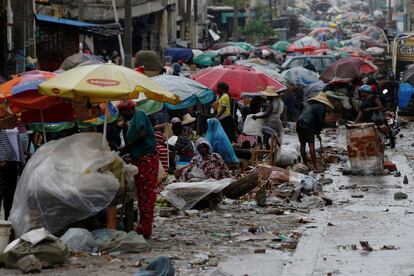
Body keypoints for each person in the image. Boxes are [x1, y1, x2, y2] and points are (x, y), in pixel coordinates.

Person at [118, 101, 159, 238]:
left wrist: (128, 147)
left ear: (129, 110)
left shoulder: (139, 114)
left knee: (147, 194)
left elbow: (142, 134)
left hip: (146, 159)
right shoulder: (131, 121)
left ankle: (145, 228)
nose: (123, 116)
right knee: (142, 194)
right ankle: (143, 226)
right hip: (140, 159)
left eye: (124, 113)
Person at [296, 92, 333, 173]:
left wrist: (316, 132)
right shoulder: (321, 106)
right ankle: (315, 167)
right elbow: (320, 121)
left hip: (299, 124)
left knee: (302, 144)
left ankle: (305, 165)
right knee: (311, 145)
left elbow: (301, 110)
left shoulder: (308, 103)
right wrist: (318, 132)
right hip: (308, 125)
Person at [0, 128, 26, 219]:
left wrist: (21, 161)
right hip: (3, 162)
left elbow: (18, 145)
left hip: (13, 162)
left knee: (10, 194)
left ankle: (8, 220)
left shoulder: (15, 128)